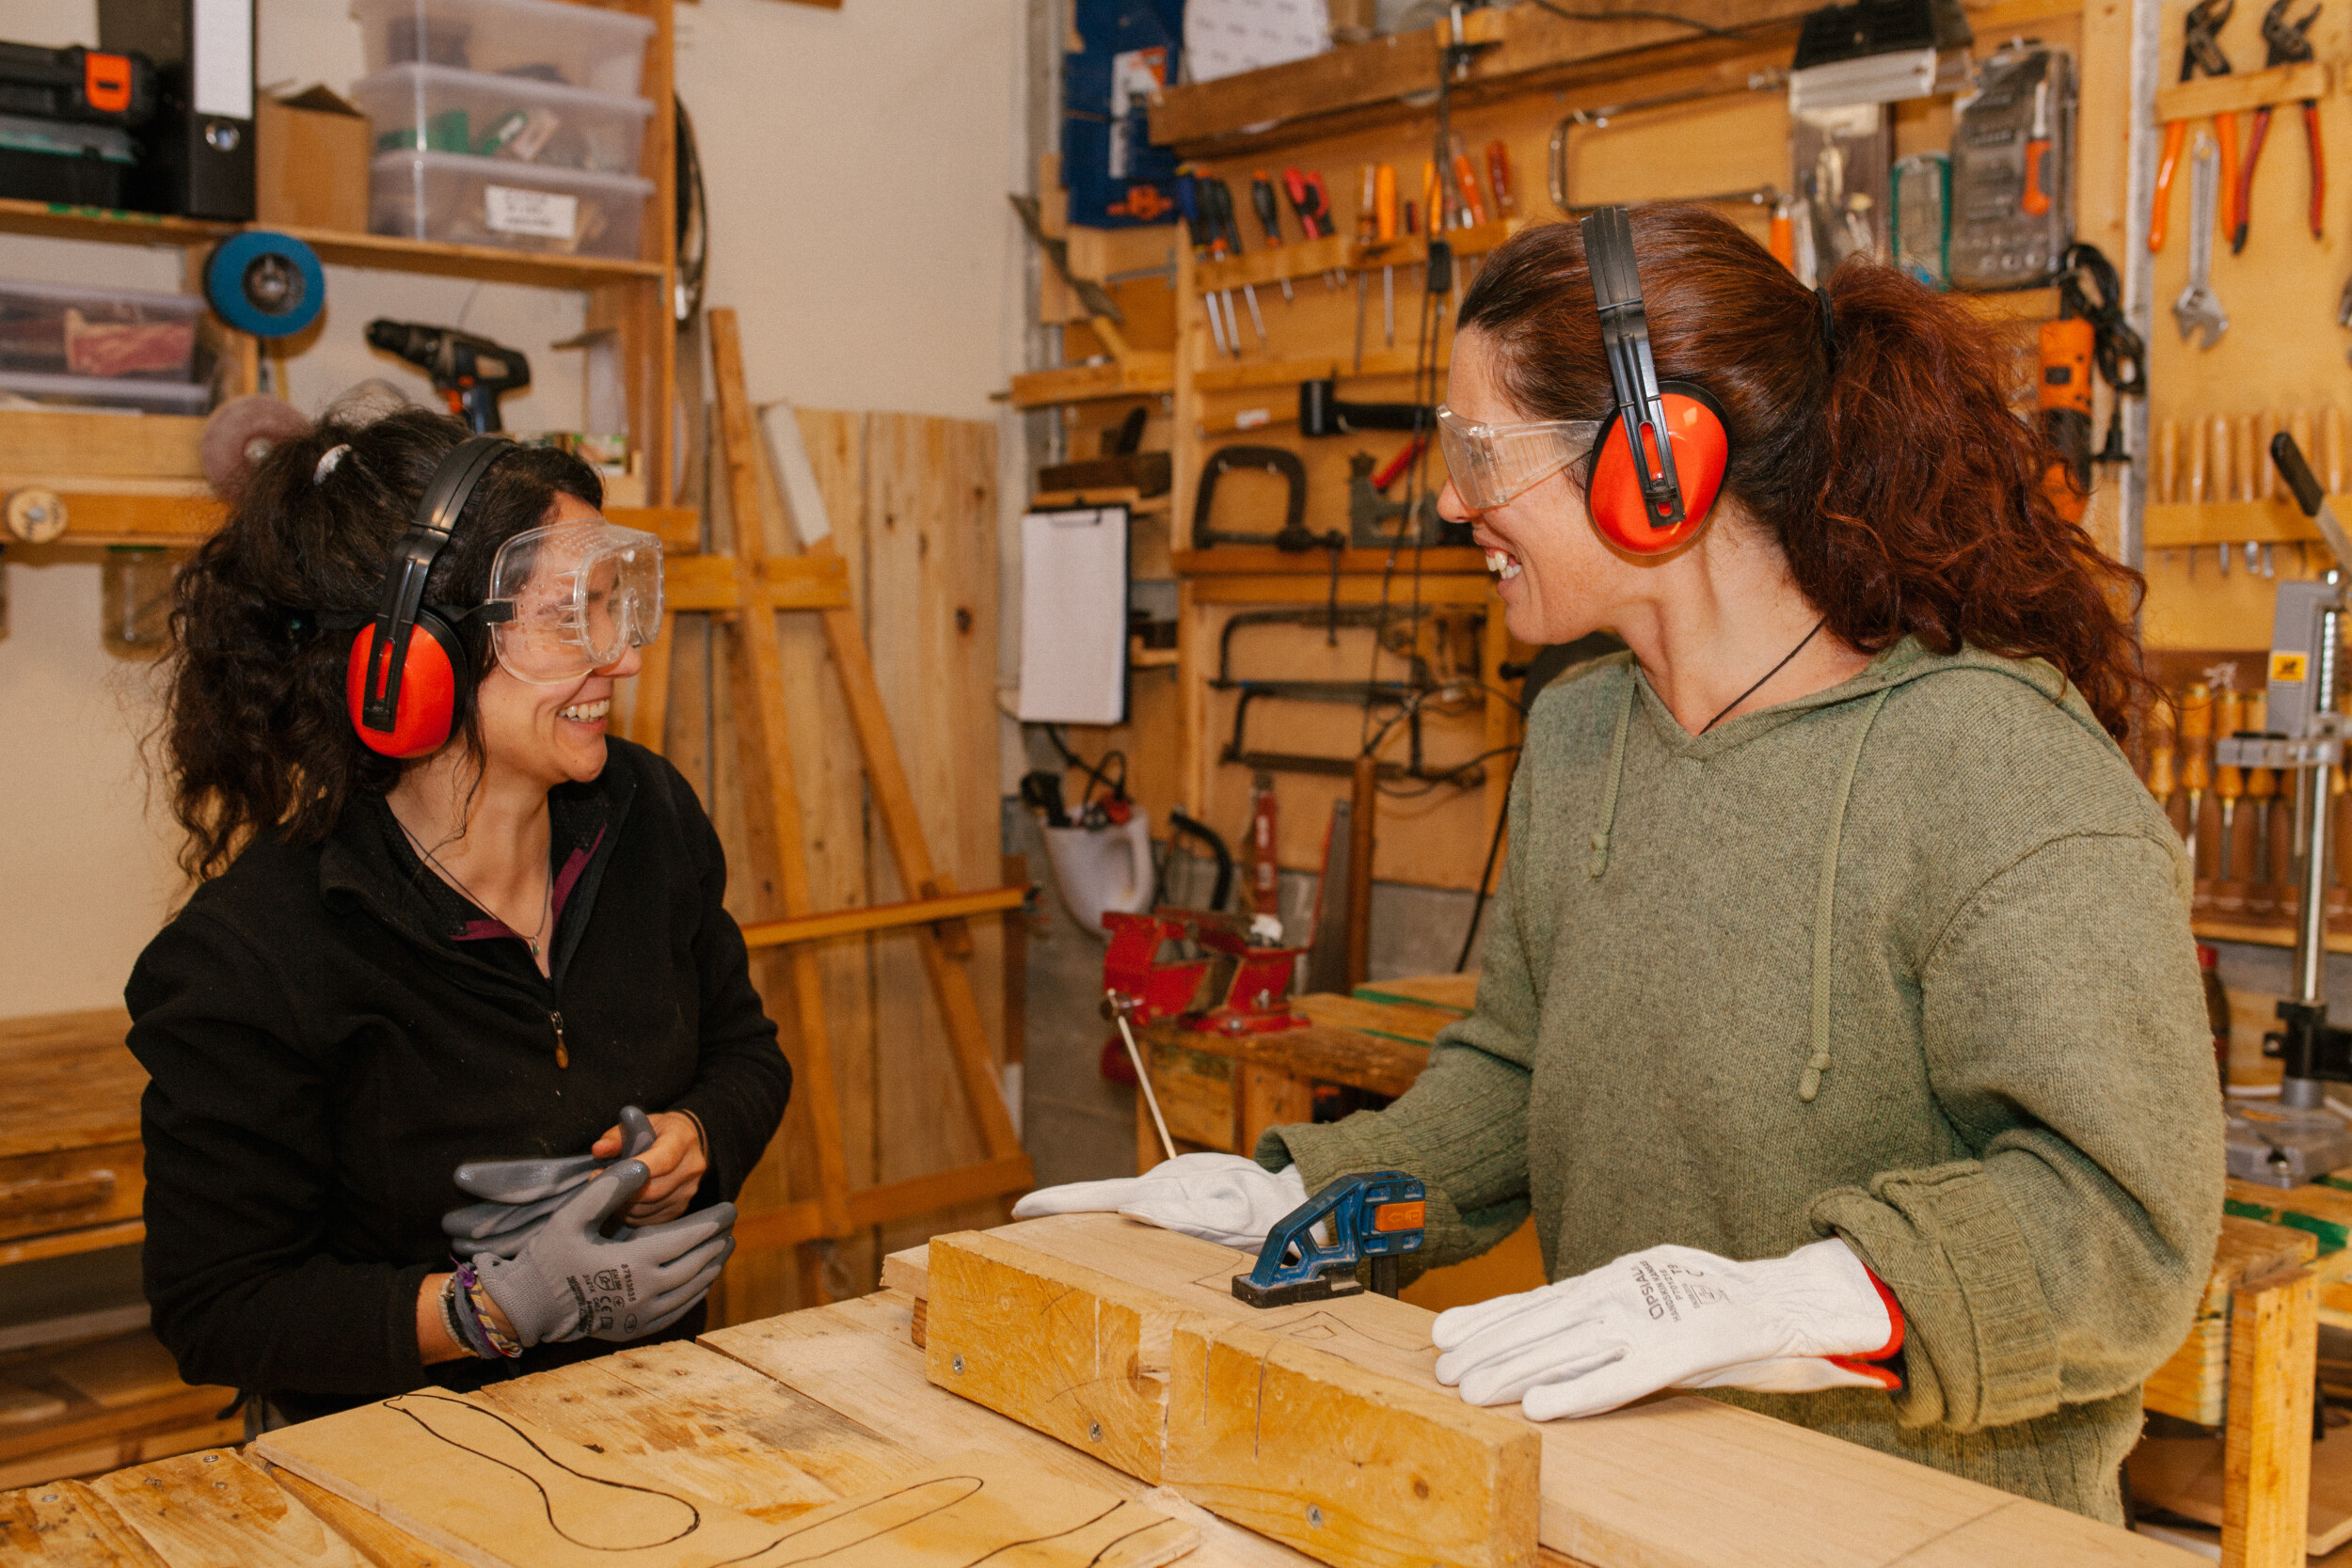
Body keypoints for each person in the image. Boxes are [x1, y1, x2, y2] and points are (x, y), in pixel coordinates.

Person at [1017, 204, 2222, 1523]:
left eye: (1480, 448)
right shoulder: (1583, 730)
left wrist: (1799, 1293)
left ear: (1662, 459)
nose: (1445, 494)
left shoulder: (1999, 770)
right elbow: (1521, 1068)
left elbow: (2127, 1228)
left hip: (1931, 1526)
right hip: (1638, 1505)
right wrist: (1305, 1195)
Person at [130, 406, 791, 1428]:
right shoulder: (251, 956)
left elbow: (747, 1051)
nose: (619, 658)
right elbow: (219, 1305)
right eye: (570, 617)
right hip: (391, 1466)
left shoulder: (648, 815)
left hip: (651, 1422)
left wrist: (694, 1139)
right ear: (418, 651)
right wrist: (491, 1308)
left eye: (615, 608)